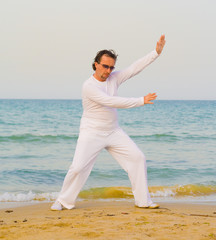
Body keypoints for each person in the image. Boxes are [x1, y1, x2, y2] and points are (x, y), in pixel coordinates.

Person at [51, 35, 166, 211]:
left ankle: (143, 201)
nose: (108, 70)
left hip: (113, 131)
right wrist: (140, 100)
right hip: (91, 132)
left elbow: (134, 68)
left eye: (112, 67)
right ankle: (63, 201)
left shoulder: (114, 78)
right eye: (105, 66)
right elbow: (111, 101)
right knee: (78, 168)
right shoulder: (89, 86)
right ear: (96, 64)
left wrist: (155, 53)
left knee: (138, 158)